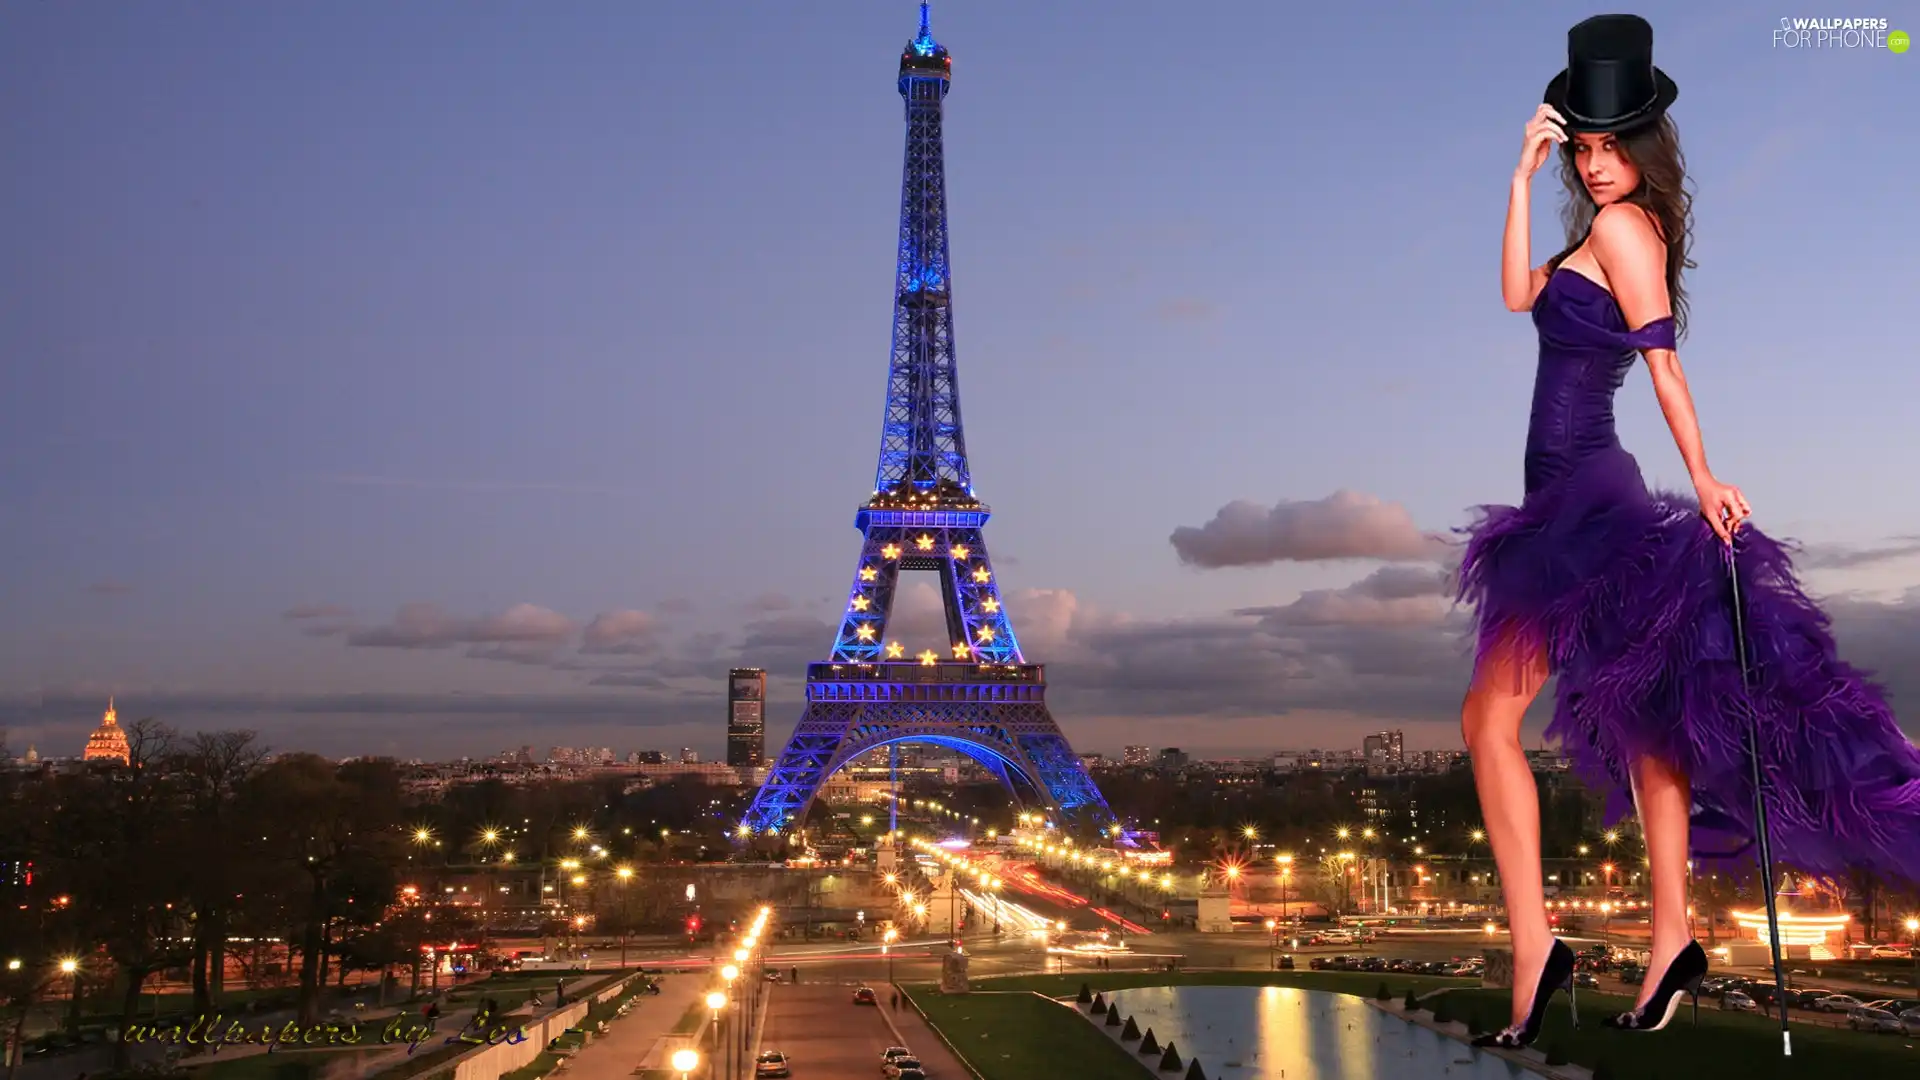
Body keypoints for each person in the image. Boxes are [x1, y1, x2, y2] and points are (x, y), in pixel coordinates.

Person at [1456, 14, 1920, 1050]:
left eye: (1609, 144)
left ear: (1646, 147)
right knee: (1646, 724)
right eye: (1583, 144)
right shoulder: (1600, 227)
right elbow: (1514, 294)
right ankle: (1670, 942)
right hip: (1568, 496)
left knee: (1489, 726)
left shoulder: (1626, 233)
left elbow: (1663, 366)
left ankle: (1536, 944)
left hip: (1583, 500)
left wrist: (1705, 473)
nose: (1595, 160)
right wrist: (1523, 177)